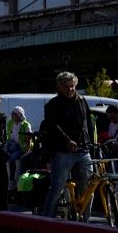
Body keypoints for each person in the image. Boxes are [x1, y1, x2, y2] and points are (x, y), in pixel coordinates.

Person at [41, 72, 95, 219]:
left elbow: (89, 123)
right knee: (57, 187)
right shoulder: (52, 105)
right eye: (66, 86)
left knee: (88, 187)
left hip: (83, 150)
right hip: (62, 151)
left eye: (72, 86)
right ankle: (47, 220)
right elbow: (53, 126)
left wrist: (92, 142)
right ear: (59, 87)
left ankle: (85, 219)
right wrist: (66, 141)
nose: (70, 89)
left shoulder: (82, 100)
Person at [4, 106, 33, 187]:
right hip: (11, 145)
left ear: (20, 115)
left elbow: (29, 140)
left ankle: (12, 180)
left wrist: (27, 152)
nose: (13, 116)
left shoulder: (26, 125)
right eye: (12, 114)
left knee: (12, 159)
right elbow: (8, 134)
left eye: (15, 114)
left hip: (21, 147)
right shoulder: (10, 122)